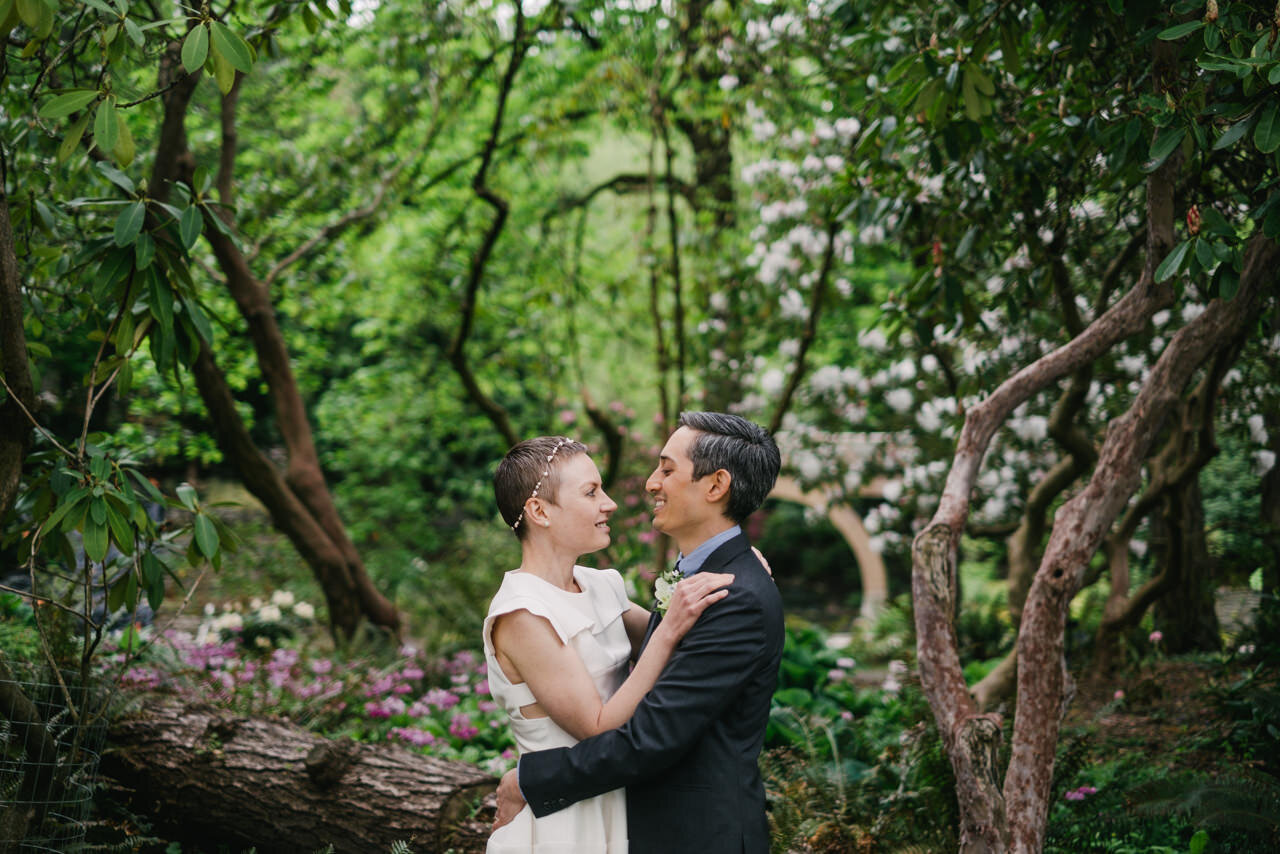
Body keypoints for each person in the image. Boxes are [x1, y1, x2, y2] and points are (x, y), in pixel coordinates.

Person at [495, 411, 783, 854]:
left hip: (694, 834)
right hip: (589, 820)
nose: (650, 483)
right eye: (591, 492)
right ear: (538, 511)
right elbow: (664, 640)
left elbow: (649, 738)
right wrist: (735, 563)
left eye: (667, 469)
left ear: (715, 485)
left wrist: (528, 781)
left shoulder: (730, 595)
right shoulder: (706, 583)